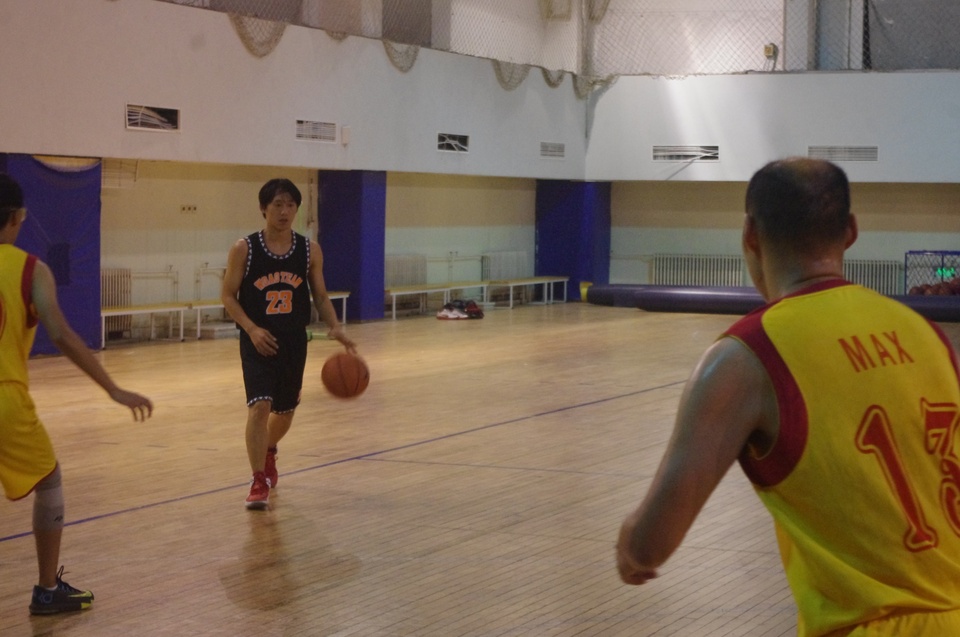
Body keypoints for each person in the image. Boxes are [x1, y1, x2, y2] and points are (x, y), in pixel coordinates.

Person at [616, 158, 960, 636]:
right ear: (851, 231)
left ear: (750, 234)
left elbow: (651, 543)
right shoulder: (926, 334)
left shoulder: (747, 356)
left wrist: (630, 545)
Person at [0, 173, 153, 615]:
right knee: (48, 481)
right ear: (18, 217)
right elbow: (62, 334)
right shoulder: (30, 269)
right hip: (6, 399)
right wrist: (113, 388)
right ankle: (47, 589)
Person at [222, 178, 356, 510]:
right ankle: (257, 480)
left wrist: (336, 327)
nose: (284, 211)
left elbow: (320, 295)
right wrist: (251, 329)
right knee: (260, 406)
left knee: (284, 412)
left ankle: (269, 450)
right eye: (277, 205)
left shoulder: (309, 250)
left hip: (294, 341)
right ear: (263, 208)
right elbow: (228, 296)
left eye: (291, 205)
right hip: (258, 341)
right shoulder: (244, 249)